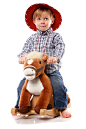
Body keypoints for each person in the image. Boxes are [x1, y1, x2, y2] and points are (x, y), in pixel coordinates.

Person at [15, 3, 71, 118]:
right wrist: (23, 57)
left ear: (52, 20)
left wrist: (55, 57)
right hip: (34, 73)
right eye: (39, 19)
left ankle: (62, 107)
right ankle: (19, 106)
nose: (42, 21)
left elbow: (60, 47)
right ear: (34, 21)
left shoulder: (56, 36)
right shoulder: (32, 38)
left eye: (46, 18)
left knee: (57, 84)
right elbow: (25, 50)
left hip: (50, 71)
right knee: (21, 85)